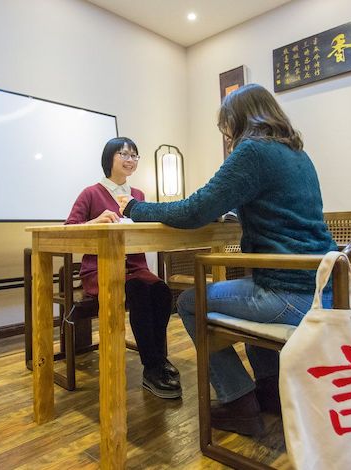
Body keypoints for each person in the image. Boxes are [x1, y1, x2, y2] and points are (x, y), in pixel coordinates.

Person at [120, 84, 337, 435]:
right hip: (321, 286)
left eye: (227, 126)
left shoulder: (253, 150)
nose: (227, 135)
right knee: (248, 285)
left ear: (238, 120)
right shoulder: (298, 155)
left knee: (190, 302)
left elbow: (194, 210)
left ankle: (239, 402)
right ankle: (270, 392)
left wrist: (134, 208)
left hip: (290, 293)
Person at [65, 137, 181, 399]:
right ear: (109, 159)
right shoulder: (91, 193)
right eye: (124, 155)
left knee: (161, 291)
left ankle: (159, 360)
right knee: (139, 290)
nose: (130, 160)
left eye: (134, 156)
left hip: (135, 268)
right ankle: (152, 369)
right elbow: (68, 230)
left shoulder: (137, 196)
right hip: (101, 268)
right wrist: (94, 222)